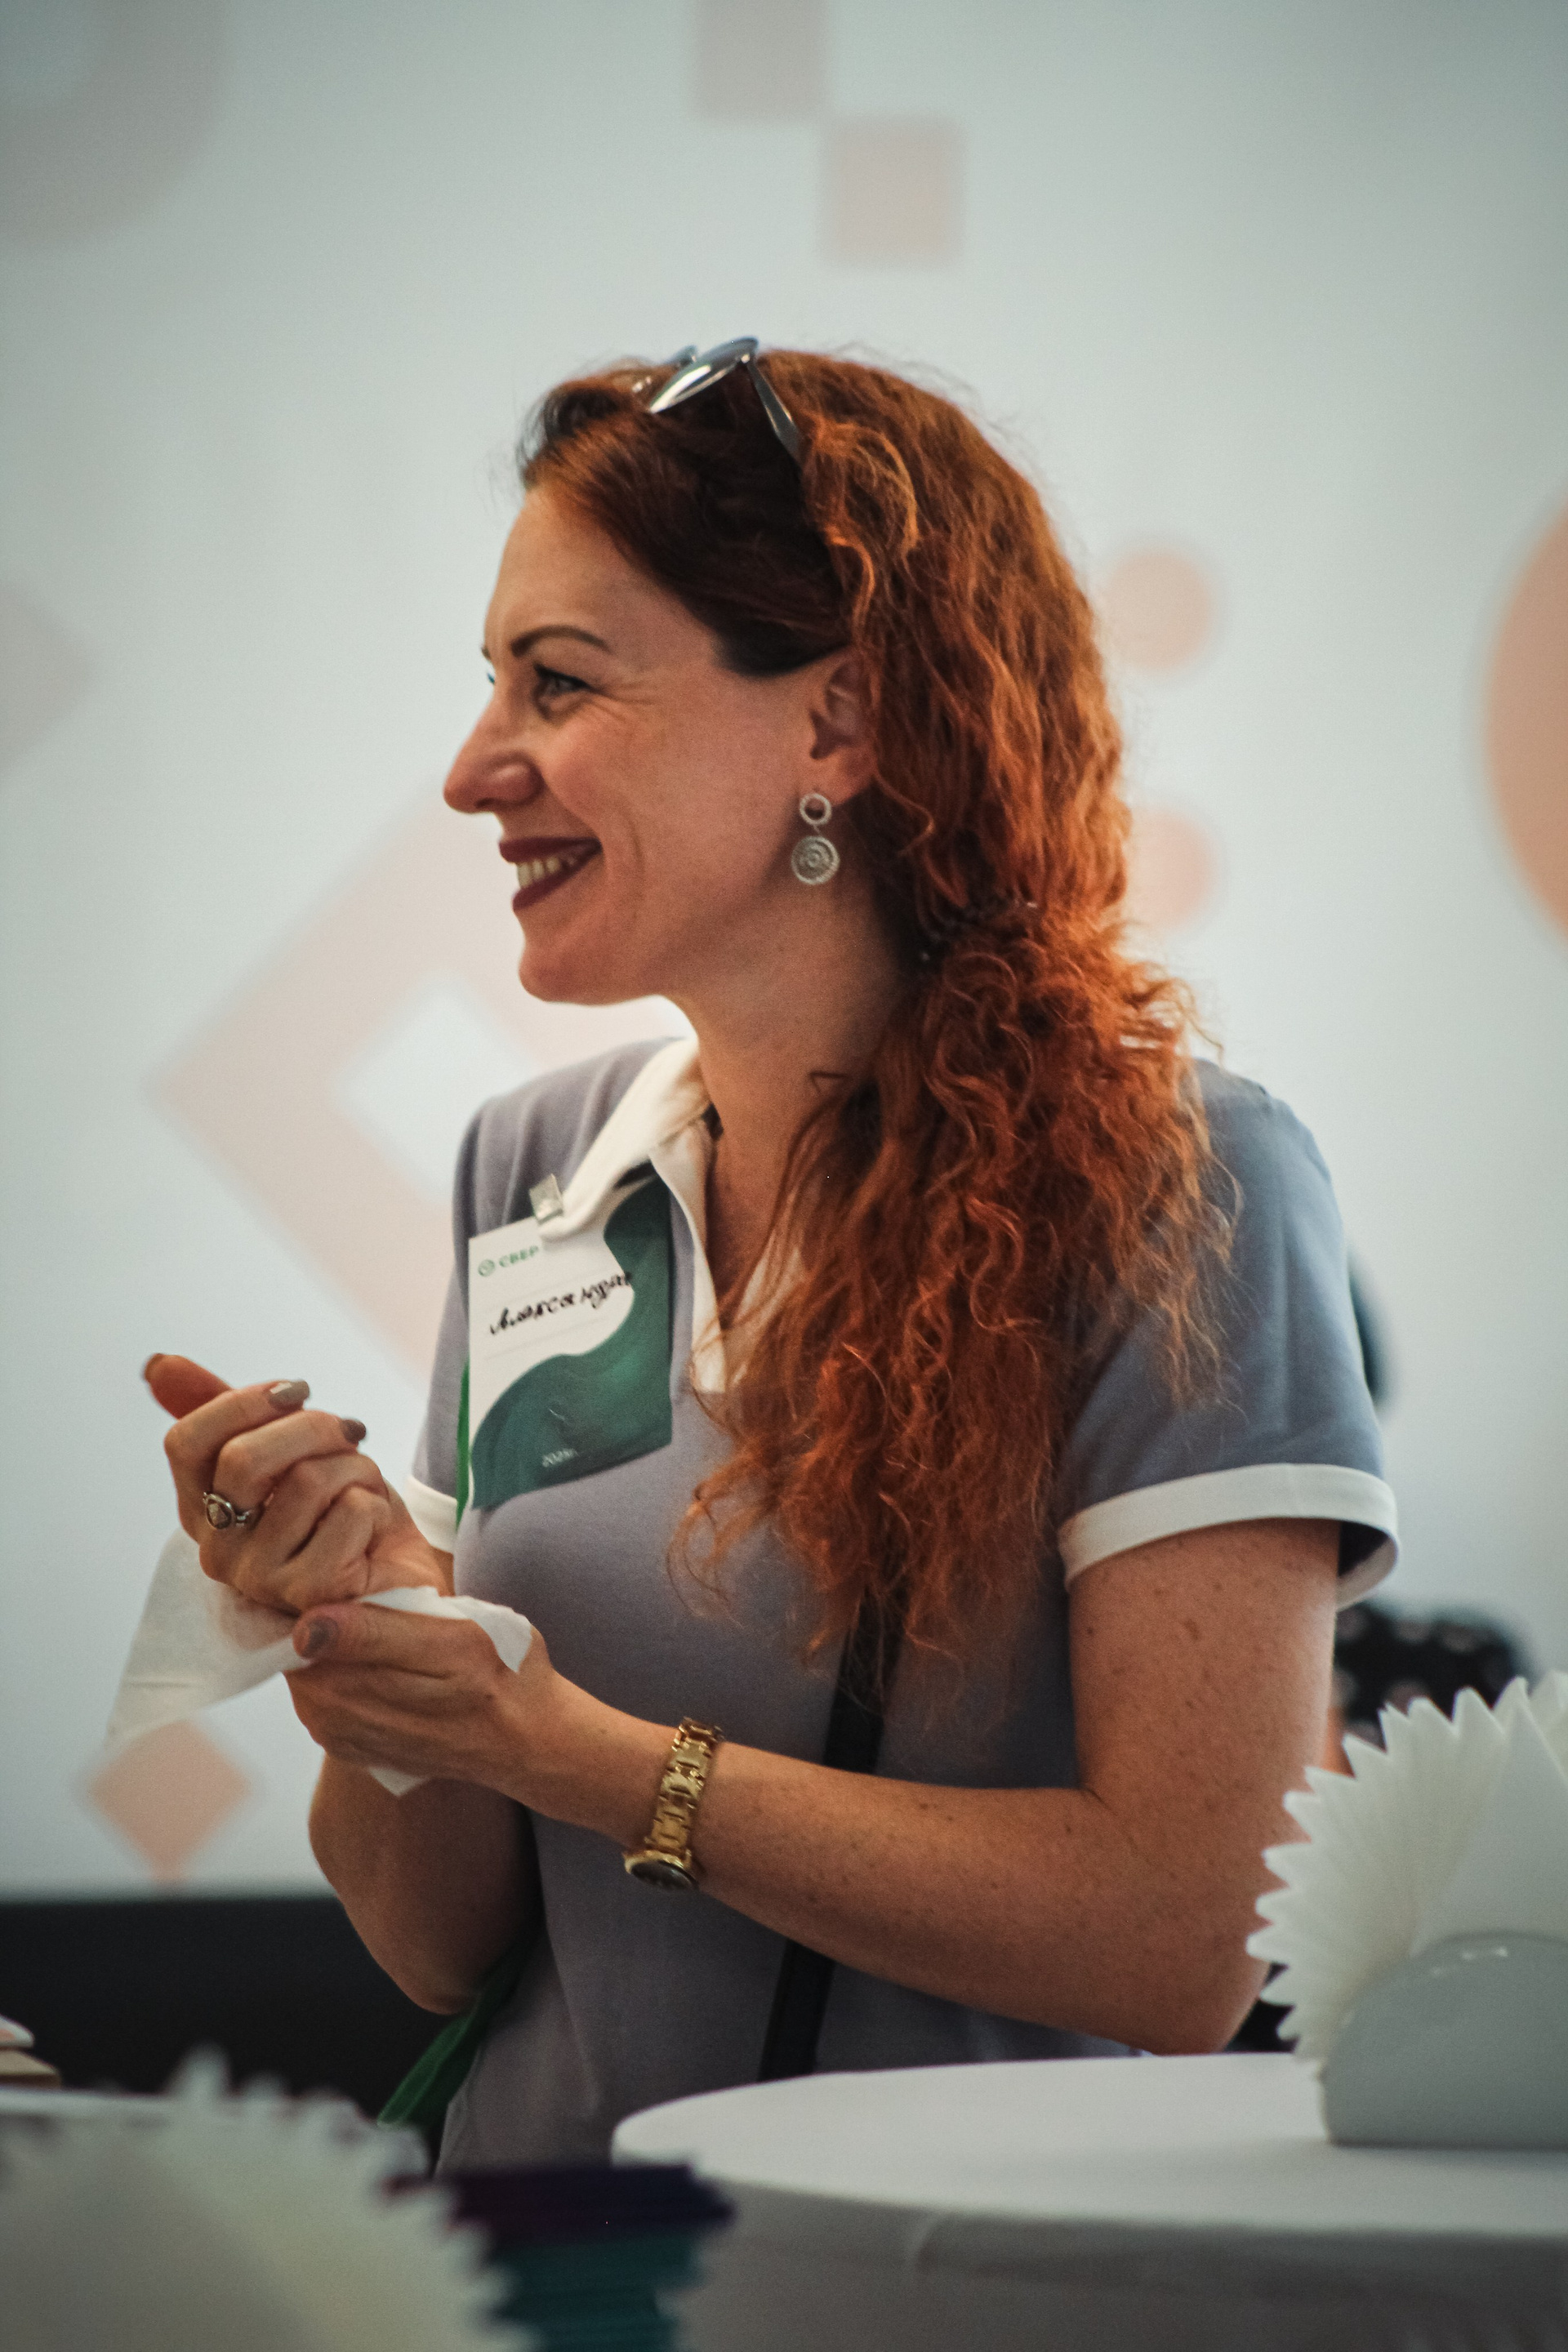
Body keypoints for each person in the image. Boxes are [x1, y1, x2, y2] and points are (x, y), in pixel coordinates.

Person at [156, 341, 1396, 2165]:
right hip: (534, 2260)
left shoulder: (1180, 1180)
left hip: (931, 2278)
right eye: (490, 685)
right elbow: (436, 1949)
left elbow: (1184, 1939)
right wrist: (385, 1629)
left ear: (837, 726)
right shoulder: (534, 1167)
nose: (474, 770)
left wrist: (579, 1754)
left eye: (558, 682)